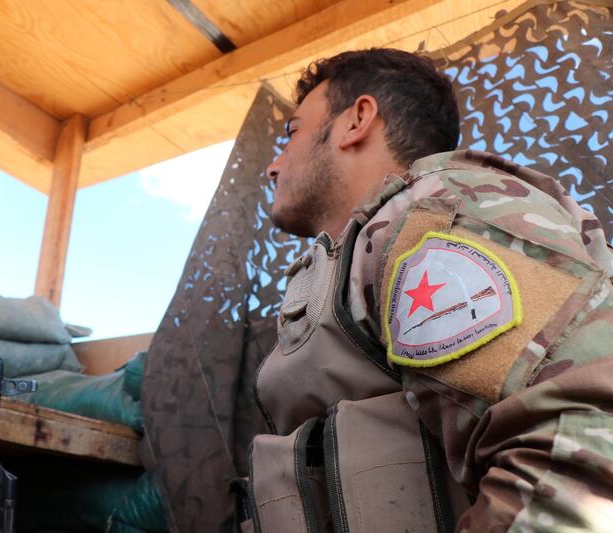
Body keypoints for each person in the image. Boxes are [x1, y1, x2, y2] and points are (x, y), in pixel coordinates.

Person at [247, 48, 613, 532]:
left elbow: (582, 445)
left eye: (292, 134)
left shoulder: (433, 217)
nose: (274, 166)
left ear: (358, 120)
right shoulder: (368, 251)